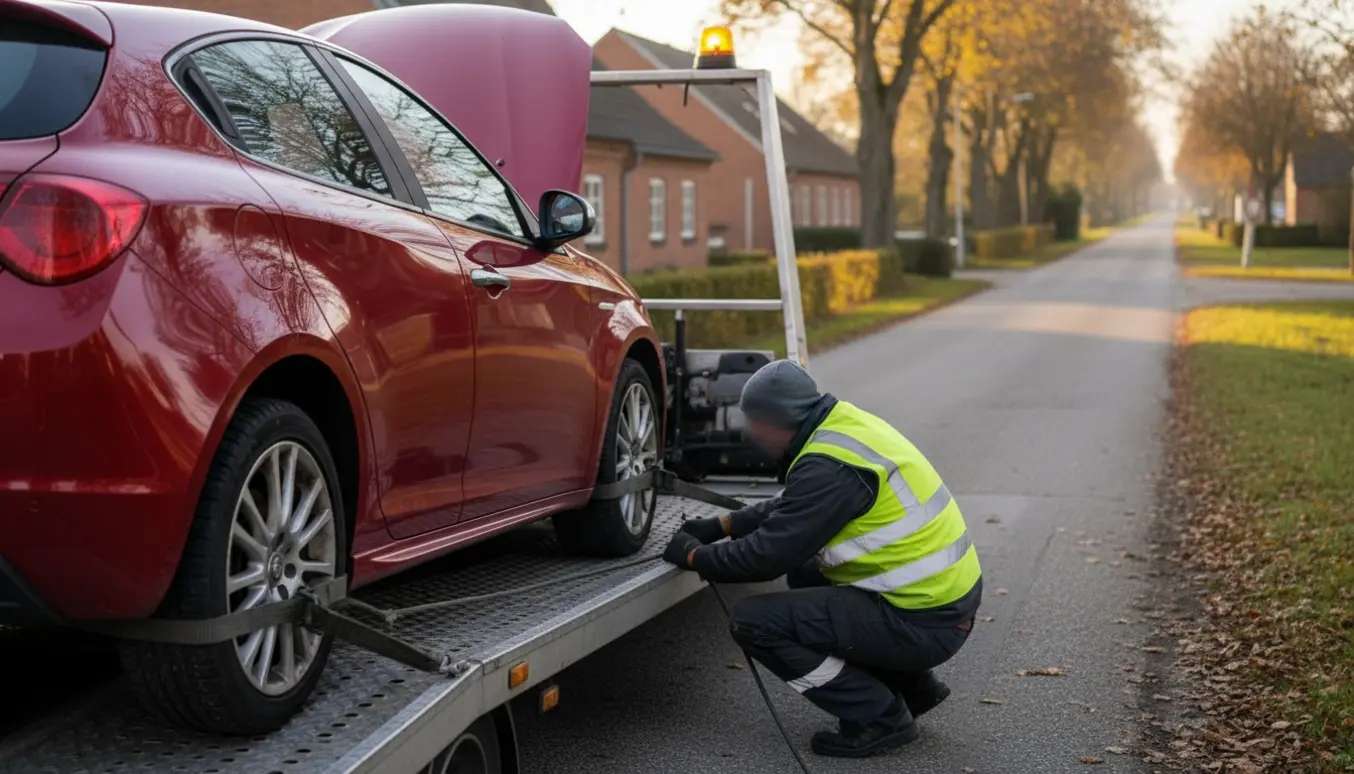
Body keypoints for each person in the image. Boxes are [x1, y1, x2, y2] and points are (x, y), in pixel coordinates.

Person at [663, 359, 982, 759]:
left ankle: (879, 716)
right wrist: (725, 524)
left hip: (926, 623)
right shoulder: (841, 428)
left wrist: (694, 555)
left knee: (754, 622)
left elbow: (763, 559)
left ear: (777, 420)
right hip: (937, 604)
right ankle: (912, 685)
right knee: (806, 573)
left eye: (753, 422)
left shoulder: (828, 468)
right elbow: (798, 506)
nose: (750, 432)